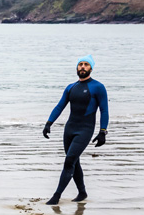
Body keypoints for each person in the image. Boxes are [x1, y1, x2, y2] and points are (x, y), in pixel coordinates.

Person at [43, 55, 109, 205]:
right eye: (80, 64)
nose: (83, 67)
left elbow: (104, 110)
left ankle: (56, 196)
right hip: (70, 129)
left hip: (85, 129)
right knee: (74, 161)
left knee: (69, 161)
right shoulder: (71, 87)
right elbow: (60, 106)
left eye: (86, 64)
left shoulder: (98, 87)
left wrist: (103, 131)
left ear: (91, 68)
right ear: (77, 68)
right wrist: (49, 123)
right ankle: (82, 192)